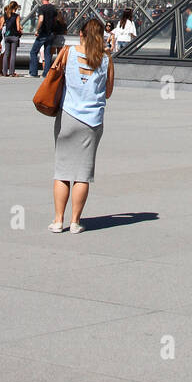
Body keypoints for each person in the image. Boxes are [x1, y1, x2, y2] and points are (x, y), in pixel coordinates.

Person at [49, 17, 114, 234]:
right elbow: (108, 92)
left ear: (80, 34)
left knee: (62, 171)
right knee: (82, 174)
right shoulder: (106, 59)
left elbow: (53, 75)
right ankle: (75, 222)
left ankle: (58, 221)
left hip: (68, 116)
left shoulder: (68, 52)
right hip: (92, 121)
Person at [29, 0, 57, 78]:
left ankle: (33, 72)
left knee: (33, 52)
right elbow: (55, 20)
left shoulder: (41, 8)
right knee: (47, 53)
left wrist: (37, 29)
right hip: (51, 33)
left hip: (43, 33)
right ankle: (46, 73)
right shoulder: (53, 8)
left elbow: (41, 19)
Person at [2, 1, 23, 76]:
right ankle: (11, 72)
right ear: (16, 7)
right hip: (14, 36)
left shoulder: (6, 15)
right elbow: (18, 28)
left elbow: (3, 25)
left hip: (7, 36)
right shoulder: (16, 16)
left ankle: (4, 72)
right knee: (13, 54)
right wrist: (21, 31)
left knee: (6, 54)